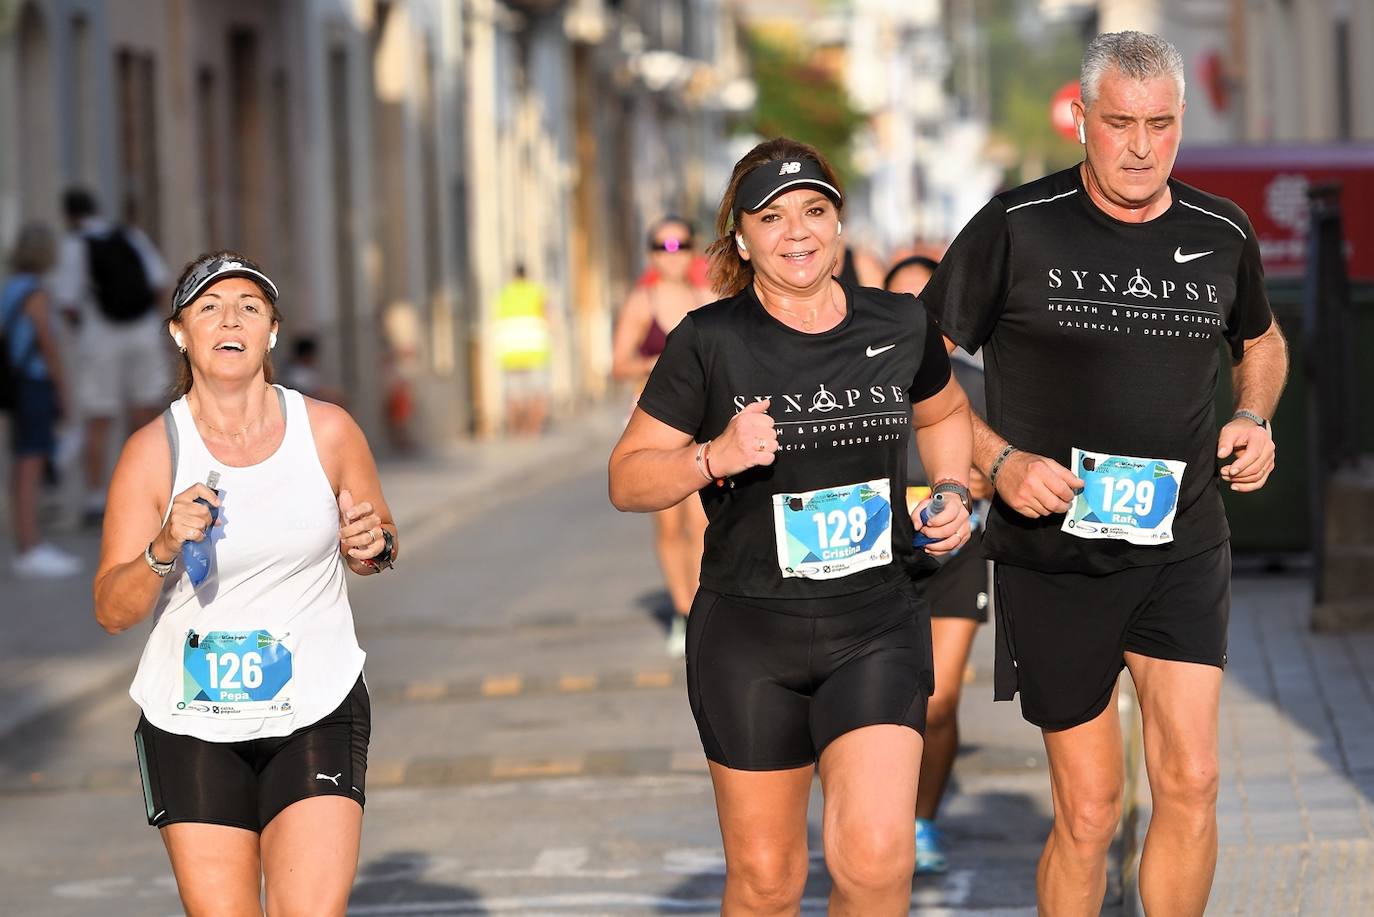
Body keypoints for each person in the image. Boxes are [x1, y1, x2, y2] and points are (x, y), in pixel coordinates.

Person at [916, 32, 1288, 916]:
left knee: (1192, 778)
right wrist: (997, 462)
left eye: (1161, 125)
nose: (1140, 146)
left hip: (1181, 543)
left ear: (1181, 123)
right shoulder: (1016, 224)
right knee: (1089, 810)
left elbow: (1263, 339)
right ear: (1081, 119)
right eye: (1120, 122)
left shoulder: (1220, 229)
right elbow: (918, 364)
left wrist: (1253, 414)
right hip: (1056, 554)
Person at [609, 137, 974, 914]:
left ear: (839, 222)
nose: (796, 232)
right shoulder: (709, 342)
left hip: (876, 620)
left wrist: (950, 487)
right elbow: (628, 476)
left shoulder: (901, 323)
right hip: (749, 634)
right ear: (742, 238)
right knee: (768, 882)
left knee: (878, 865)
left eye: (814, 211)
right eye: (772, 218)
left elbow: (944, 411)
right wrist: (713, 456)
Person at [93, 251, 398, 916]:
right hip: (192, 719)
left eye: (249, 308)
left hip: (315, 704)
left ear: (272, 331)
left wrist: (371, 544)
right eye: (209, 307)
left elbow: (378, 540)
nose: (229, 319)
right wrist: (161, 547)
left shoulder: (328, 430)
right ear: (180, 331)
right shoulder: (153, 452)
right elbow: (112, 610)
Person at [885, 254, 991, 874]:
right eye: (897, 304)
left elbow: (1008, 465)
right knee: (876, 702)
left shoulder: (972, 384)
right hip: (875, 558)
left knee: (941, 699)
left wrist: (981, 480)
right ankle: (878, 818)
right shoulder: (855, 380)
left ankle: (921, 822)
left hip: (956, 553)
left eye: (921, 304)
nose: (910, 318)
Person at [611, 216, 713, 657]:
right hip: (653, 421)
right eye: (661, 246)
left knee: (702, 522)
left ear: (693, 251)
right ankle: (681, 610)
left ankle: (704, 608)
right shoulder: (642, 300)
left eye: (680, 245)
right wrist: (662, 365)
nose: (671, 254)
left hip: (700, 421)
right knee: (669, 524)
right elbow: (618, 363)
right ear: (650, 253)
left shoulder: (707, 297)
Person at [51, 187, 172, 524]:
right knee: (145, 413)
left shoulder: (75, 245)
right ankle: (151, 489)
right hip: (142, 331)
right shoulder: (129, 236)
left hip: (99, 335)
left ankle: (95, 499)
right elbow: (160, 283)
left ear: (69, 215)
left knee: (98, 418)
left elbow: (67, 302)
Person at [2, 223, 80, 577]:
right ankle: (30, 546)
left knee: (22, 463)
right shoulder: (37, 293)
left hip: (16, 384)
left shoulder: (9, 289)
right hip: (33, 384)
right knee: (32, 463)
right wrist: (63, 391)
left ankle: (26, 541)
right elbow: (47, 345)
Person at [493, 264, 552, 436]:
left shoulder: (504, 294)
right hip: (535, 349)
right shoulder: (535, 291)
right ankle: (533, 430)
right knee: (537, 393)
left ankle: (515, 430)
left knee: (513, 395)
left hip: (510, 351)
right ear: (526, 275)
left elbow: (497, 318)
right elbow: (547, 315)